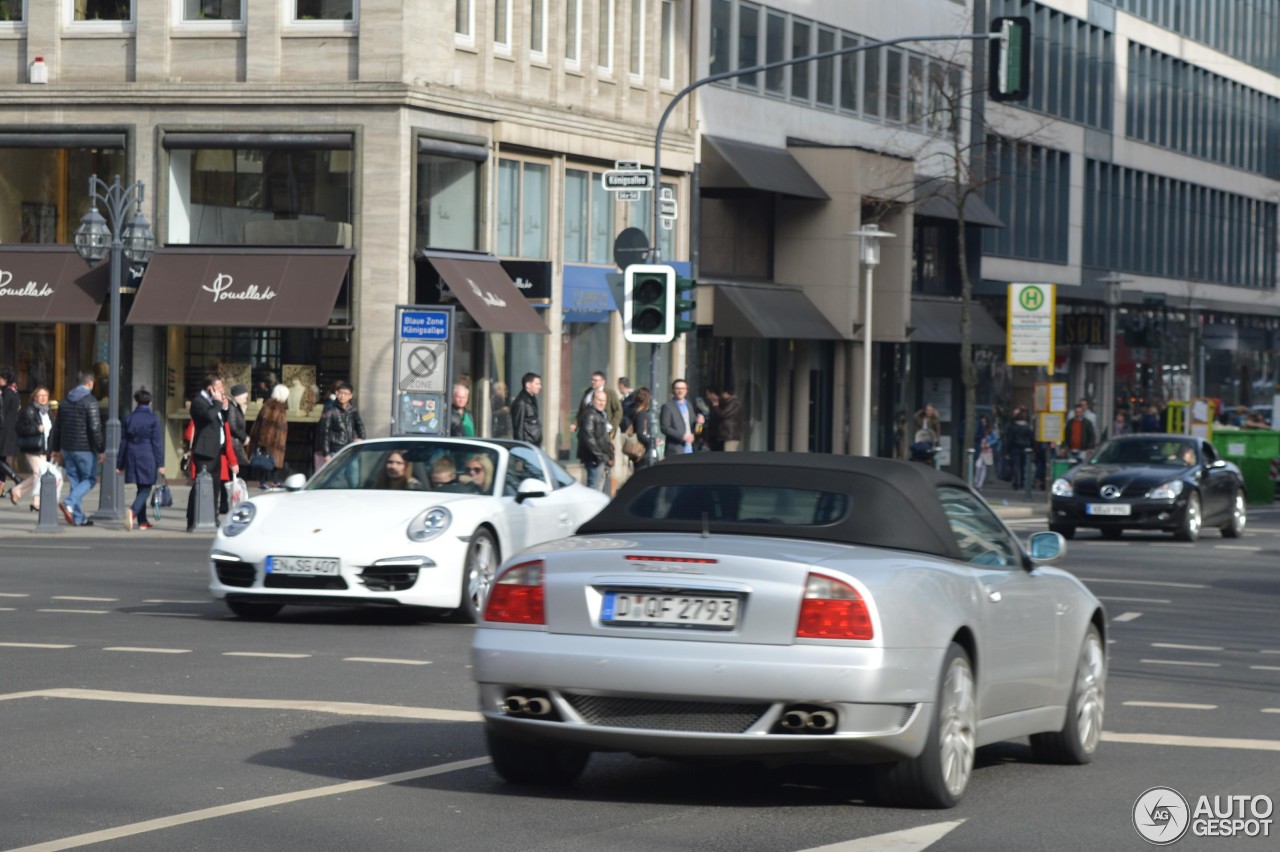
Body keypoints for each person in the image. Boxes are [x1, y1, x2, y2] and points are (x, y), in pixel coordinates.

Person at [50, 371, 105, 527]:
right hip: (85, 448)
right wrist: (101, 449)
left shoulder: (65, 401)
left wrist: (55, 448)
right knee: (89, 480)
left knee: (75, 481)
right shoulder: (90, 401)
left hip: (68, 448)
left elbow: (58, 427)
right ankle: (69, 502)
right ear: (90, 383)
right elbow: (95, 427)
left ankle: (78, 518)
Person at [117, 389, 164, 531]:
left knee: (140, 486)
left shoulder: (129, 418)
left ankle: (142, 521)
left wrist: (120, 464)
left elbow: (123, 442)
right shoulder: (153, 418)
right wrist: (160, 463)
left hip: (132, 454)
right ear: (149, 402)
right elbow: (157, 442)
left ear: (136, 401)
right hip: (147, 453)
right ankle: (133, 511)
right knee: (147, 487)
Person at [9, 385, 55, 512]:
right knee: (39, 474)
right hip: (32, 448)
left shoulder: (48, 412)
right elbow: (19, 428)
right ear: (34, 397)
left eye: (45, 395)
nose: (43, 398)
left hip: (44, 449)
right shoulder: (29, 411)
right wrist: (36, 429)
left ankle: (17, 490)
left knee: (40, 475)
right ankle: (36, 502)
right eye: (40, 395)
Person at [249, 383, 290, 490]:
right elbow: (266, 427)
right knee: (267, 460)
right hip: (272, 441)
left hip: (275, 441)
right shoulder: (273, 407)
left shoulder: (275, 406)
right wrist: (264, 443)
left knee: (273, 460)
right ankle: (264, 482)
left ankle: (274, 481)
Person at [319, 382, 366, 463]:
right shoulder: (330, 410)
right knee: (338, 475)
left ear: (350, 396)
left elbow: (360, 425)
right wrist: (326, 453)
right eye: (341, 393)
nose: (342, 396)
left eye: (345, 394)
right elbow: (324, 432)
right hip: (335, 450)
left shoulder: (352, 410)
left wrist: (362, 438)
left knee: (353, 474)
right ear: (336, 393)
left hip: (350, 448)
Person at [578, 389, 613, 491]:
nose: (602, 403)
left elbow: (603, 437)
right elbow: (588, 437)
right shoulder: (590, 414)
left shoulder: (601, 414)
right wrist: (599, 455)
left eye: (604, 401)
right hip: (594, 459)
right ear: (593, 400)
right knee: (594, 487)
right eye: (599, 400)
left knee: (599, 486)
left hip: (600, 457)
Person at [660, 378, 700, 457]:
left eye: (683, 388)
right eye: (677, 388)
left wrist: (700, 424)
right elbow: (665, 428)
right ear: (673, 390)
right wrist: (682, 436)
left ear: (686, 390)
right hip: (675, 449)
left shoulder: (689, 405)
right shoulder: (668, 406)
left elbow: (697, 431)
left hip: (690, 448)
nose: (680, 391)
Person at [0, 367, 20, 496]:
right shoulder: (13, 391)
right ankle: (1, 486)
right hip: (9, 431)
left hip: (4, 431)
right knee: (1, 458)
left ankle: (16, 478)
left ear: (5, 379)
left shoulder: (7, 394)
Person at [1004, 407, 1034, 490]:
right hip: (1025, 448)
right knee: (1022, 466)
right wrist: (1032, 447)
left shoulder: (1014, 427)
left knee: (1016, 465)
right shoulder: (1027, 427)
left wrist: (1006, 449)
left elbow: (1010, 438)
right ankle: (1021, 482)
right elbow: (1031, 438)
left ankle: (1016, 481)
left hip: (1015, 448)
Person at [510, 372, 542, 446]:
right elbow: (518, 428)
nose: (540, 387)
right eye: (537, 384)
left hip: (534, 445)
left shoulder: (532, 400)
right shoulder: (521, 402)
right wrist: (521, 447)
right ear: (528, 385)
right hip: (527, 445)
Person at [629, 387, 657, 470]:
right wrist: (651, 442)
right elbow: (640, 433)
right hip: (643, 453)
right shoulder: (641, 414)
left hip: (642, 453)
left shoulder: (637, 413)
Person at [227, 384, 252, 475]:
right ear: (237, 396)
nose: (246, 400)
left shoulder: (235, 407)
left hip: (236, 442)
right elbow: (232, 426)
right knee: (240, 469)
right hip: (234, 443)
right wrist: (244, 437)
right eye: (244, 397)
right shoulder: (231, 407)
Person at [974, 415, 998, 491]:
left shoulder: (990, 430)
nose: (983, 423)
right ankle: (978, 482)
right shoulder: (979, 429)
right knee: (978, 465)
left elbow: (995, 439)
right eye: (982, 422)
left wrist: (989, 443)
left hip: (986, 450)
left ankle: (979, 484)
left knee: (983, 467)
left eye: (984, 422)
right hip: (981, 449)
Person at [716, 387, 744, 452]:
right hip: (731, 434)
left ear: (726, 393)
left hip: (731, 435)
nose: (722, 396)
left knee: (729, 454)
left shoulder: (733, 403)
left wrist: (716, 406)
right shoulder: (731, 403)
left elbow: (723, 414)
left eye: (723, 394)